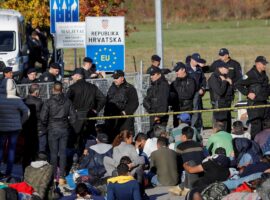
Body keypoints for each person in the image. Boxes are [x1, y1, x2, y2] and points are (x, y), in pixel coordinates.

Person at [40, 81, 77, 185]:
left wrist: (48, 124)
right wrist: (67, 124)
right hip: (64, 128)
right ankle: (62, 176)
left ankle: (54, 176)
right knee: (63, 152)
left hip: (52, 128)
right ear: (62, 90)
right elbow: (74, 118)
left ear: (53, 90)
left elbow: (43, 118)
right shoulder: (67, 101)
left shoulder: (48, 102)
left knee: (53, 153)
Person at [67, 68, 106, 152]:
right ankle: (90, 155)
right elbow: (103, 99)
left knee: (76, 138)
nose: (72, 77)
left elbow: (66, 101)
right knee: (90, 137)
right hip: (90, 115)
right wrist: (96, 109)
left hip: (77, 116)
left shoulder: (72, 87)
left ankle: (76, 159)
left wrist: (71, 111)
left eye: (73, 76)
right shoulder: (92, 87)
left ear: (77, 76)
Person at [0, 78, 29, 178]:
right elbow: (27, 112)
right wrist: (21, 122)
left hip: (2, 127)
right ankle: (8, 173)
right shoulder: (17, 99)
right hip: (15, 128)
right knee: (12, 149)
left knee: (1, 149)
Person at [236, 56, 270, 139]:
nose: (265, 66)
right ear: (257, 64)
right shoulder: (250, 74)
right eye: (263, 64)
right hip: (254, 105)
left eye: (265, 64)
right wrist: (248, 93)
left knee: (266, 127)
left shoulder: (264, 74)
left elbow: (266, 88)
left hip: (264, 104)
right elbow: (238, 84)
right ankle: (255, 147)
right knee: (256, 128)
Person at [104, 70, 139, 142]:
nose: (115, 80)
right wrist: (106, 114)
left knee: (125, 140)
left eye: (117, 78)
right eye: (114, 78)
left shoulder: (129, 88)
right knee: (113, 140)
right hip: (112, 120)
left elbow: (134, 103)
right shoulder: (112, 88)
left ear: (122, 78)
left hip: (125, 120)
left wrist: (125, 112)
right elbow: (108, 102)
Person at [169, 126, 205, 196]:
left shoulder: (180, 146)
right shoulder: (199, 145)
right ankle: (180, 187)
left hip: (189, 170)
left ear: (184, 136)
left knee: (187, 165)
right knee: (189, 165)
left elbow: (178, 162)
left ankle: (185, 188)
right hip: (200, 171)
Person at [23, 84, 46, 171]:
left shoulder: (24, 101)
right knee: (40, 150)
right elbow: (43, 116)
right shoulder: (39, 102)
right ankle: (39, 169)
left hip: (27, 128)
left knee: (27, 151)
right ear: (36, 92)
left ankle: (26, 169)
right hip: (39, 128)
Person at [208, 61, 234, 132]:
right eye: (227, 68)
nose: (228, 70)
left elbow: (230, 92)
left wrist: (231, 84)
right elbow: (220, 92)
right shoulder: (214, 78)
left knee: (227, 128)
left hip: (226, 105)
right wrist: (224, 82)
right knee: (221, 128)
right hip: (219, 106)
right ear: (220, 68)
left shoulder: (225, 76)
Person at [170, 62, 196, 127]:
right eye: (175, 71)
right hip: (177, 109)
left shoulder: (191, 80)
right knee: (176, 128)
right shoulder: (174, 83)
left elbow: (189, 95)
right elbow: (171, 94)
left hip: (187, 109)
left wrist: (177, 95)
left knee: (186, 128)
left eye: (177, 70)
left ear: (183, 69)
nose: (176, 72)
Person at [143, 66, 169, 130]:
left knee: (159, 136)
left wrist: (158, 116)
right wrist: (149, 108)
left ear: (159, 74)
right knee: (152, 135)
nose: (151, 76)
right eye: (150, 75)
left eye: (153, 74)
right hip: (152, 114)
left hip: (159, 117)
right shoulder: (153, 86)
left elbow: (163, 102)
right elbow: (147, 100)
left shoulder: (163, 85)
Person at [186, 53, 206, 133]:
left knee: (196, 111)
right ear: (191, 59)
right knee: (188, 111)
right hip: (187, 94)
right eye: (195, 61)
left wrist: (202, 88)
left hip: (197, 94)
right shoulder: (186, 68)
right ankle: (187, 128)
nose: (196, 63)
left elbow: (203, 80)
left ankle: (194, 128)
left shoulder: (199, 69)